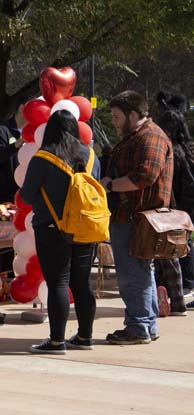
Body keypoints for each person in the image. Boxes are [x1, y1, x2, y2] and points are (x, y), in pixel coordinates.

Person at [20, 110, 100, 354]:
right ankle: (85, 337)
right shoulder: (91, 156)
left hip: (52, 229)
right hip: (86, 228)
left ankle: (56, 341)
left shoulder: (43, 158)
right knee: (81, 283)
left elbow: (27, 195)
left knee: (58, 282)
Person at [100, 90, 173, 345]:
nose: (114, 121)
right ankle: (145, 325)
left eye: (118, 116)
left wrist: (110, 185)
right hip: (133, 218)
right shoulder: (140, 136)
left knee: (133, 275)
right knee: (141, 272)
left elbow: (144, 177)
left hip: (135, 219)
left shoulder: (150, 137)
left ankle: (139, 327)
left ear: (133, 114)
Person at [158, 110, 194, 311]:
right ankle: (179, 298)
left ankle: (168, 293)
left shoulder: (169, 151)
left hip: (174, 209)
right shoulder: (190, 149)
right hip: (188, 210)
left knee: (167, 252)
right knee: (183, 249)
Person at [0, 103, 26, 204]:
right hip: (3, 194)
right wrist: (14, 146)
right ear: (22, 108)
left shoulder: (34, 131)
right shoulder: (2, 130)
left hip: (23, 191)